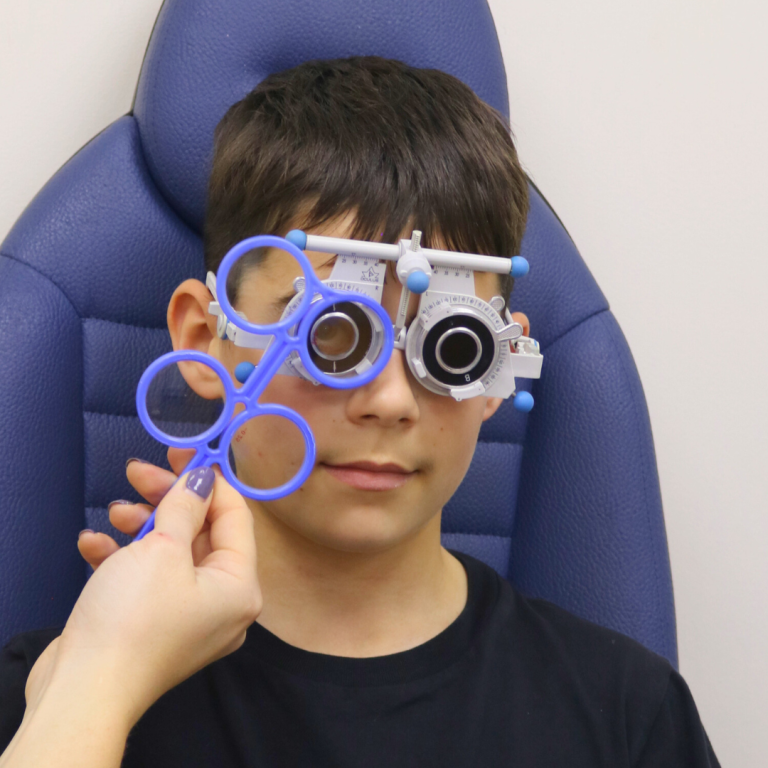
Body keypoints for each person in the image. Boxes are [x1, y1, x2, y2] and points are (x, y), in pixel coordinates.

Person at [0, 57, 720, 767]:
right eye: (332, 335)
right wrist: (97, 686)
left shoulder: (627, 718)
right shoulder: (56, 696)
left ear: (500, 367)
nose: (390, 401)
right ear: (203, 339)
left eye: (452, 345)